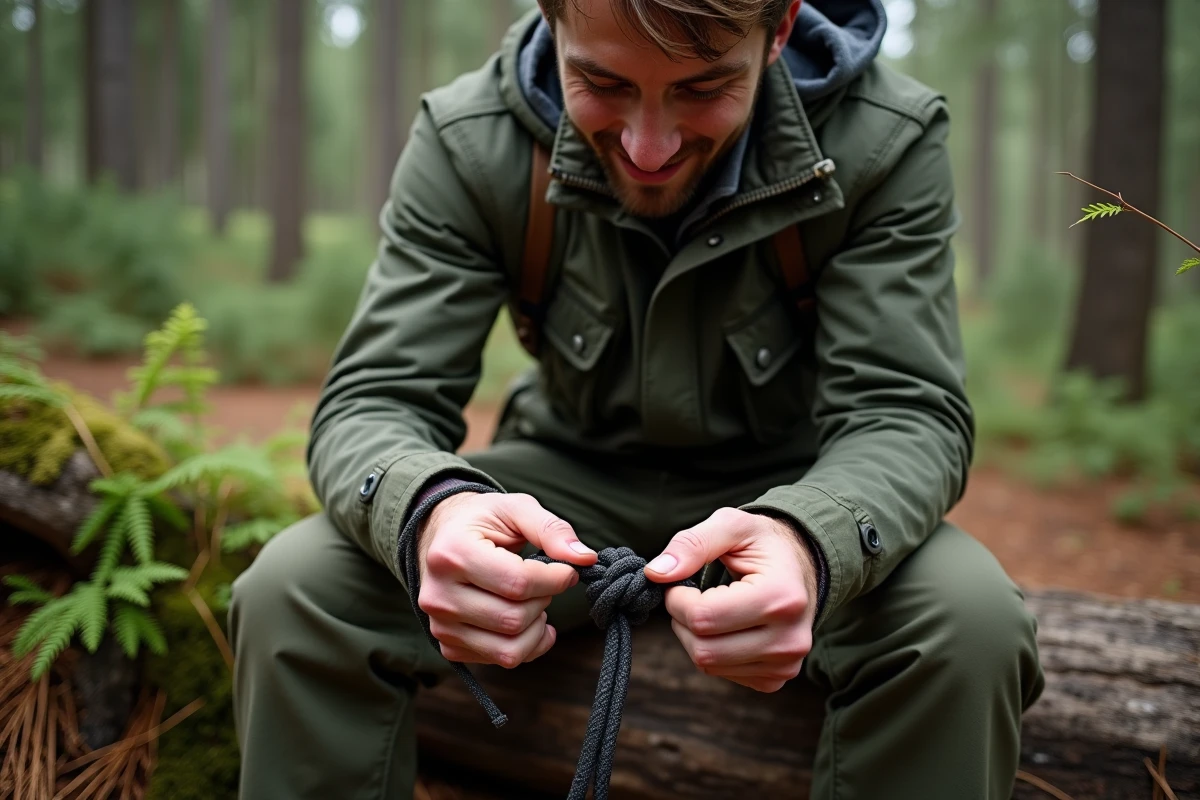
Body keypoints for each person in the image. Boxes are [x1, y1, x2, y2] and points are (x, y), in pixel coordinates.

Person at [229, 1, 1045, 797]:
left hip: (806, 486)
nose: (648, 146)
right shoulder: (472, 140)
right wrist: (431, 510)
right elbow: (374, 399)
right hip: (564, 485)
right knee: (296, 591)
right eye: (603, 83)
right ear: (551, 20)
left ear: (780, 29)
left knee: (966, 626)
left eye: (700, 88)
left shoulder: (882, 140)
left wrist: (811, 540)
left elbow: (906, 413)